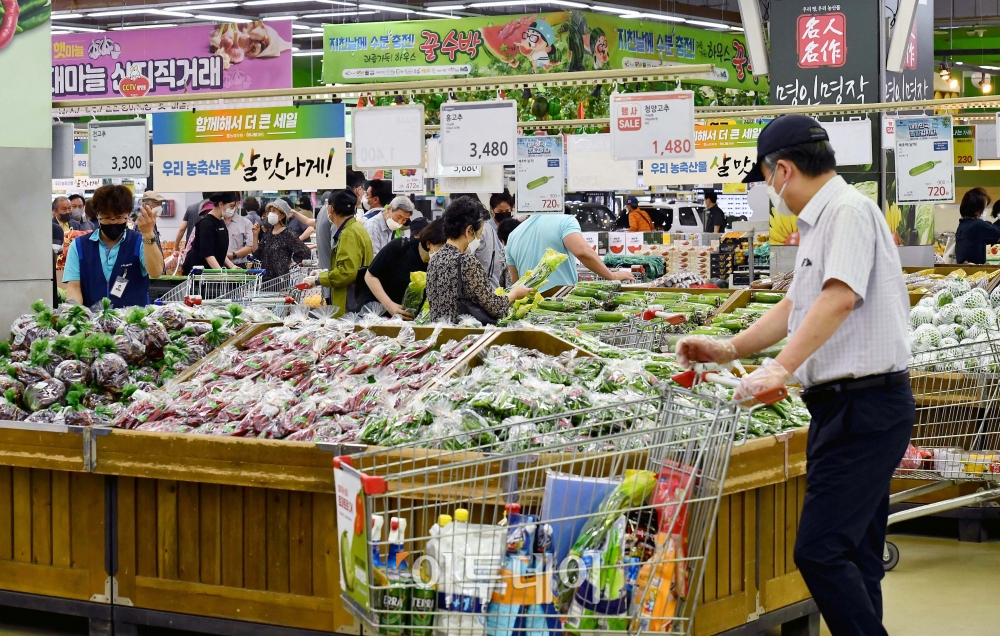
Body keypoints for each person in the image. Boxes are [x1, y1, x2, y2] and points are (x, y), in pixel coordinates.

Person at [677, 115, 912, 636]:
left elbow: (838, 297)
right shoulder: (820, 221)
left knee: (820, 552)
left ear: (783, 169)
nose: (770, 191)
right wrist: (730, 348)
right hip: (844, 407)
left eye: (765, 178)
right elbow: (796, 304)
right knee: (858, 556)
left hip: (865, 408)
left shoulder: (846, 212)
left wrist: (781, 366)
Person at [427, 197, 531, 324]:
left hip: (439, 332)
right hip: (464, 335)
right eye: (480, 234)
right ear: (469, 230)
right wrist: (514, 294)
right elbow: (495, 307)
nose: (479, 239)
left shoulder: (435, 258)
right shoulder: (466, 262)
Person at [63, 185, 164, 309]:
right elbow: (73, 286)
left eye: (119, 217)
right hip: (93, 323)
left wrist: (148, 234)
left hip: (134, 323)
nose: (113, 222)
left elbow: (156, 272)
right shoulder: (79, 246)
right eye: (106, 217)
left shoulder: (139, 242)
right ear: (97, 215)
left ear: (128, 214)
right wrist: (75, 312)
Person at [507, 214, 634, 293]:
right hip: (559, 302)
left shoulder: (514, 234)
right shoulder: (564, 221)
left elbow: (515, 280)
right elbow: (582, 252)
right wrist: (611, 276)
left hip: (529, 306)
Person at [304, 189, 374, 318]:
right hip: (358, 298)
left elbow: (346, 272)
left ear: (330, 208)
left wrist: (318, 280)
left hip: (349, 302)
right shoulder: (356, 229)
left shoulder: (348, 233)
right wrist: (323, 273)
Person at [364, 219, 447, 318]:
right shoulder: (400, 247)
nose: (445, 254)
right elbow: (370, 276)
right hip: (380, 317)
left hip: (412, 323)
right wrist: (390, 306)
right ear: (429, 244)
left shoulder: (439, 265)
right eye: (443, 248)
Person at [251, 198, 311, 281]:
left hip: (281, 280)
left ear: (282, 215)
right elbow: (257, 254)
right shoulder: (268, 234)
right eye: (270, 211)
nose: (270, 214)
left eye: (274, 211)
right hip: (265, 280)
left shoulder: (288, 234)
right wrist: (255, 235)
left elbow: (305, 252)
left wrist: (290, 262)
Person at [182, 192, 238, 274]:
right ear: (221, 204)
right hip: (198, 273)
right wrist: (221, 273)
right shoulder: (206, 224)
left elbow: (220, 252)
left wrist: (233, 267)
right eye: (231, 206)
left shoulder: (221, 222)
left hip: (212, 271)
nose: (233, 210)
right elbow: (208, 254)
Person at [955, 189, 1000, 265]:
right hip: (974, 271)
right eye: (984, 207)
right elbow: (997, 232)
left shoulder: (963, 224)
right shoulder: (977, 225)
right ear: (977, 209)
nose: (985, 210)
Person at [223, 194, 256, 268]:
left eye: (230, 205)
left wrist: (233, 255)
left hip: (239, 266)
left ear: (237, 204)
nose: (226, 207)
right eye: (224, 203)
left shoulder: (245, 223)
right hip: (218, 266)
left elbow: (250, 246)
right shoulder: (217, 222)